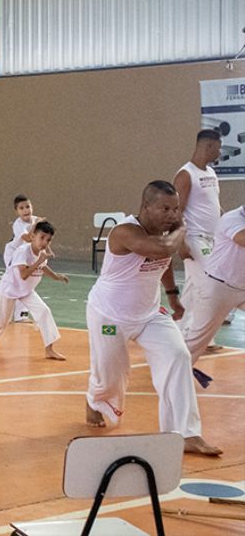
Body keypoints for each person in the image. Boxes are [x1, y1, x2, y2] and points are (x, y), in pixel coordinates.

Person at [84, 181, 221, 456]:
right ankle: (93, 398)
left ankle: (185, 433)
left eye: (176, 209)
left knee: (178, 356)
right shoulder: (125, 231)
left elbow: (163, 262)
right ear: (146, 206)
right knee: (111, 377)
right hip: (109, 314)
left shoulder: (163, 233)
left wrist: (171, 295)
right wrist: (183, 227)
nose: (172, 215)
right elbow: (161, 250)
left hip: (148, 314)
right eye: (165, 209)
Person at [0, 221, 68, 360]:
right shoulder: (23, 251)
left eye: (48, 240)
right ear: (33, 236)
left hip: (27, 290)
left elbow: (44, 268)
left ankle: (49, 349)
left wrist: (56, 276)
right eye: (42, 237)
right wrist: (39, 261)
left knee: (44, 311)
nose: (45, 242)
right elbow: (23, 275)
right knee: (3, 320)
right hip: (10, 288)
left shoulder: (41, 253)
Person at [173, 129, 224, 348]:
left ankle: (179, 334)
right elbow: (176, 211)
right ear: (209, 146)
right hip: (194, 238)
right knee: (211, 284)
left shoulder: (211, 173)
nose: (220, 152)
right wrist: (180, 241)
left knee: (195, 287)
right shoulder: (186, 174)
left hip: (212, 239)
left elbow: (215, 206)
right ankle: (199, 336)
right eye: (218, 147)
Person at [181, 205, 244, 372]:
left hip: (242, 288)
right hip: (218, 287)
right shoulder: (233, 218)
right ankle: (172, 373)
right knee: (197, 341)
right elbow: (242, 239)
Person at [0, 195, 46, 321]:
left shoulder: (36, 220)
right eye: (21, 208)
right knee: (20, 280)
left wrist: (48, 251)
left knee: (11, 281)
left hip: (26, 254)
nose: (25, 210)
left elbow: (44, 237)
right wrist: (36, 224)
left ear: (32, 207)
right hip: (13, 254)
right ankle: (20, 314)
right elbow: (29, 238)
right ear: (17, 211)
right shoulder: (18, 225)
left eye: (28, 207)